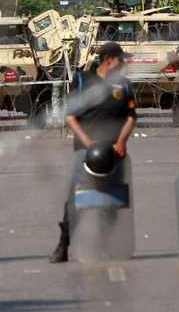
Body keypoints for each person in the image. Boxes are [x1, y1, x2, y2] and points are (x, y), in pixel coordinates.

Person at [50, 42, 137, 263]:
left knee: (112, 201)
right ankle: (63, 245)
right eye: (120, 59)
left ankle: (104, 244)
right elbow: (70, 116)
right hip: (85, 153)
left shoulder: (124, 84)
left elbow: (130, 116)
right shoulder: (82, 80)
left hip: (114, 153)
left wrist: (121, 141)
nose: (123, 63)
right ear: (108, 59)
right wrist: (87, 141)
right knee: (76, 200)